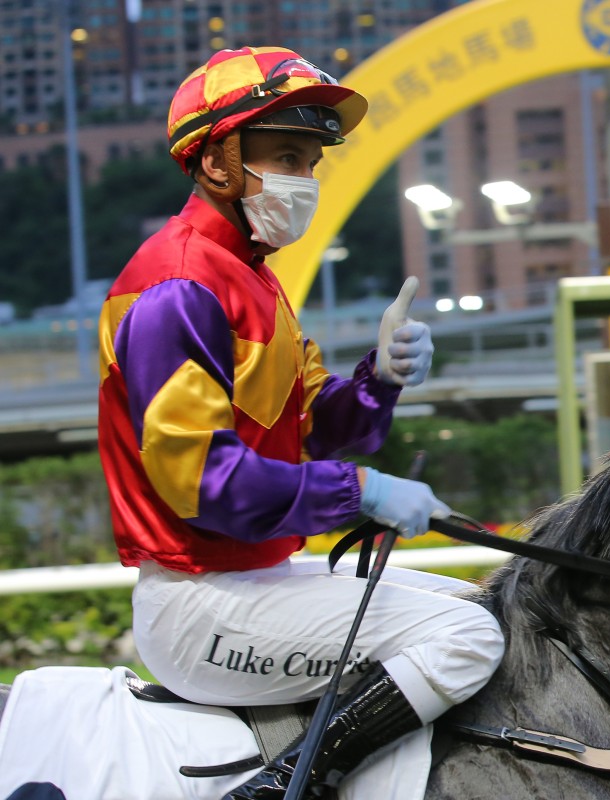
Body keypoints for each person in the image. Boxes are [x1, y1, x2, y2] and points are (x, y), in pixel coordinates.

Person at [96, 46, 504, 799]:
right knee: (468, 639)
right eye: (286, 155)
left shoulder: (249, 277)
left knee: (485, 605)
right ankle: (292, 782)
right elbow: (202, 484)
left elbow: (317, 428)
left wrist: (377, 379)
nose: (304, 179)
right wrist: (361, 494)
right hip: (201, 601)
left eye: (311, 161)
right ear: (217, 161)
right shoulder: (177, 286)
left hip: (256, 582)